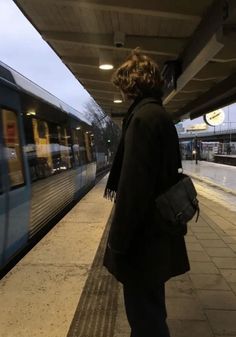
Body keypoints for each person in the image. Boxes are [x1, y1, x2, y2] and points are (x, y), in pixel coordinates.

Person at [103, 49, 190, 337]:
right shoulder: (159, 115)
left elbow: (133, 190)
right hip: (158, 235)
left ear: (132, 83)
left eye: (124, 85)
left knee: (144, 319)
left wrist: (117, 242)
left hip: (144, 240)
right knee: (152, 311)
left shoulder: (142, 119)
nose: (123, 92)